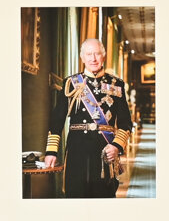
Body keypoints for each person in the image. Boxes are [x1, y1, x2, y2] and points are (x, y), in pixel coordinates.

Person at [42, 38, 132, 198]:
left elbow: (125, 123)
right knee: (75, 195)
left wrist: (116, 146)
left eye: (97, 53)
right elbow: (57, 120)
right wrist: (51, 152)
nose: (93, 58)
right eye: (89, 54)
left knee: (104, 196)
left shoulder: (117, 85)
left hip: (105, 150)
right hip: (77, 150)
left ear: (103, 56)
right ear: (82, 57)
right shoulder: (71, 83)